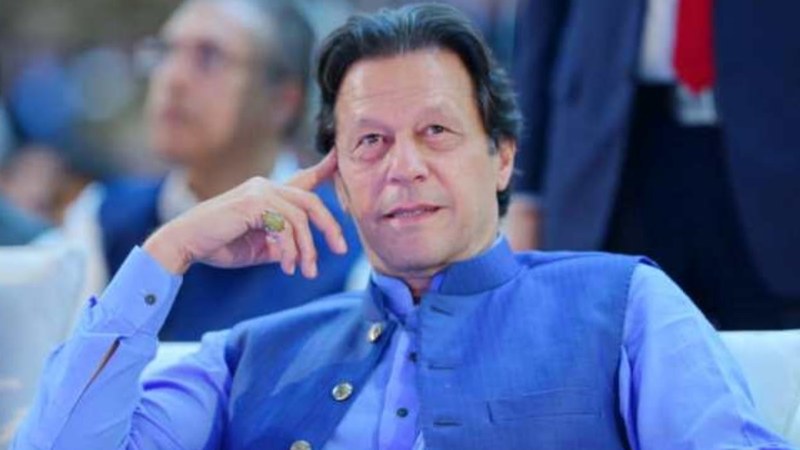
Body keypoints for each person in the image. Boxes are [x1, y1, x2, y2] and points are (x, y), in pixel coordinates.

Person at [12, 4, 794, 449]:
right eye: (371, 143)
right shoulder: (248, 357)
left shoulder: (623, 305)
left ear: (502, 157)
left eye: (437, 133)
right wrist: (169, 249)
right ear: (338, 181)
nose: (404, 167)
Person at [62, 0, 362, 340]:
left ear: (282, 101)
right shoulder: (103, 219)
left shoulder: (346, 251)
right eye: (164, 52)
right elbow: (64, 368)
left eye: (208, 57)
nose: (173, 79)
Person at [507, 0, 800, 329]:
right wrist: (526, 191)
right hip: (611, 155)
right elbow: (541, 24)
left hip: (777, 154)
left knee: (771, 351)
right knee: (613, 344)